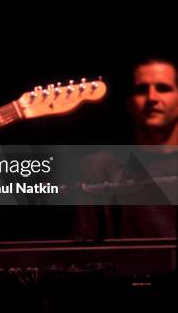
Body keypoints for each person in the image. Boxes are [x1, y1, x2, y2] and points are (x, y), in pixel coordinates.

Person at [75, 56, 177, 240]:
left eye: (163, 88)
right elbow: (86, 252)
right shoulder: (99, 166)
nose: (152, 98)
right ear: (129, 103)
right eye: (141, 90)